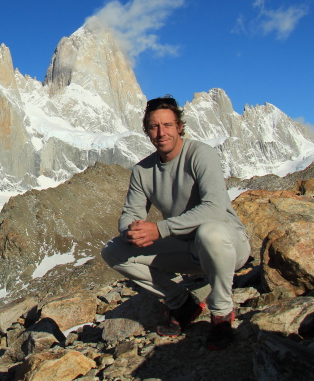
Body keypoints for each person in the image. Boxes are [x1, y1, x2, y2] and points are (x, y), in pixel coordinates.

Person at [100, 95, 250, 350]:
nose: (161, 133)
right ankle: (182, 304)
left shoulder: (200, 154)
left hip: (227, 245)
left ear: (180, 126)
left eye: (168, 125)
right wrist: (130, 232)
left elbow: (214, 209)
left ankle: (222, 314)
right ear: (147, 131)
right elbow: (130, 213)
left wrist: (160, 229)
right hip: (186, 249)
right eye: (154, 127)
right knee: (113, 251)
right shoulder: (142, 171)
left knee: (209, 232)